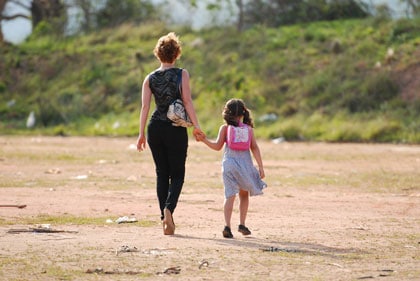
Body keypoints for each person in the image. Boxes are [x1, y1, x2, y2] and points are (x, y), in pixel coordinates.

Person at [136, 32, 205, 235]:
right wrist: (196, 125)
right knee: (178, 174)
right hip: (175, 129)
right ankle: (169, 209)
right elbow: (187, 101)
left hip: (155, 128)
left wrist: (140, 134)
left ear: (158, 54)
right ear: (176, 54)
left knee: (161, 174)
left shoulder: (149, 78)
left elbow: (145, 107)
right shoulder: (181, 74)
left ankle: (163, 217)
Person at [199, 98, 266, 238]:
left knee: (229, 195)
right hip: (244, 165)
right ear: (243, 113)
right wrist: (260, 166)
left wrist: (204, 140)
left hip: (229, 164)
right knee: (244, 194)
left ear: (227, 113)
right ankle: (242, 224)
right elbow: (254, 147)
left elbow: (217, 147)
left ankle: (227, 226)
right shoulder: (248, 130)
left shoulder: (225, 128)